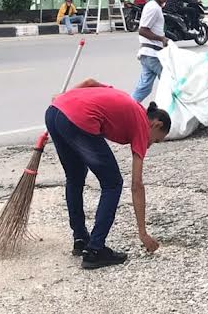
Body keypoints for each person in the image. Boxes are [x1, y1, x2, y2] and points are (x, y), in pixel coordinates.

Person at [46, 79, 171, 269]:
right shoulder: (141, 125)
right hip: (76, 119)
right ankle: (95, 250)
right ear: (156, 125)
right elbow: (137, 185)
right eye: (156, 141)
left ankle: (80, 239)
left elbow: (89, 82)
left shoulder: (128, 102)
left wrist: (63, 97)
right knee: (113, 183)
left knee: (75, 178)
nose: (150, 144)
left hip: (55, 112)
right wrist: (143, 233)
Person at [131, 0, 170, 103]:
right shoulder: (154, 8)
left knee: (144, 88)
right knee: (170, 82)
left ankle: (129, 107)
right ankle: (169, 113)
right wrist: (161, 38)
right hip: (152, 54)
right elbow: (143, 30)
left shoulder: (154, 7)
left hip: (147, 54)